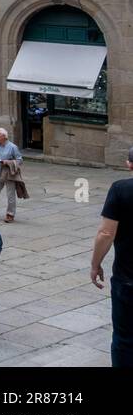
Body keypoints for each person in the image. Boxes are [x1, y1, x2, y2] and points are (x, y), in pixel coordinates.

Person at [91, 147, 133, 367]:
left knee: (125, 339)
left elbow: (106, 233)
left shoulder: (120, 189)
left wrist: (95, 264)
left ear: (129, 164)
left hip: (128, 280)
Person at [0, 127, 23, 222]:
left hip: (9, 173)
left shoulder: (12, 147)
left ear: (4, 136)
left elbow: (20, 160)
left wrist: (8, 162)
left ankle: (10, 214)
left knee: (10, 194)